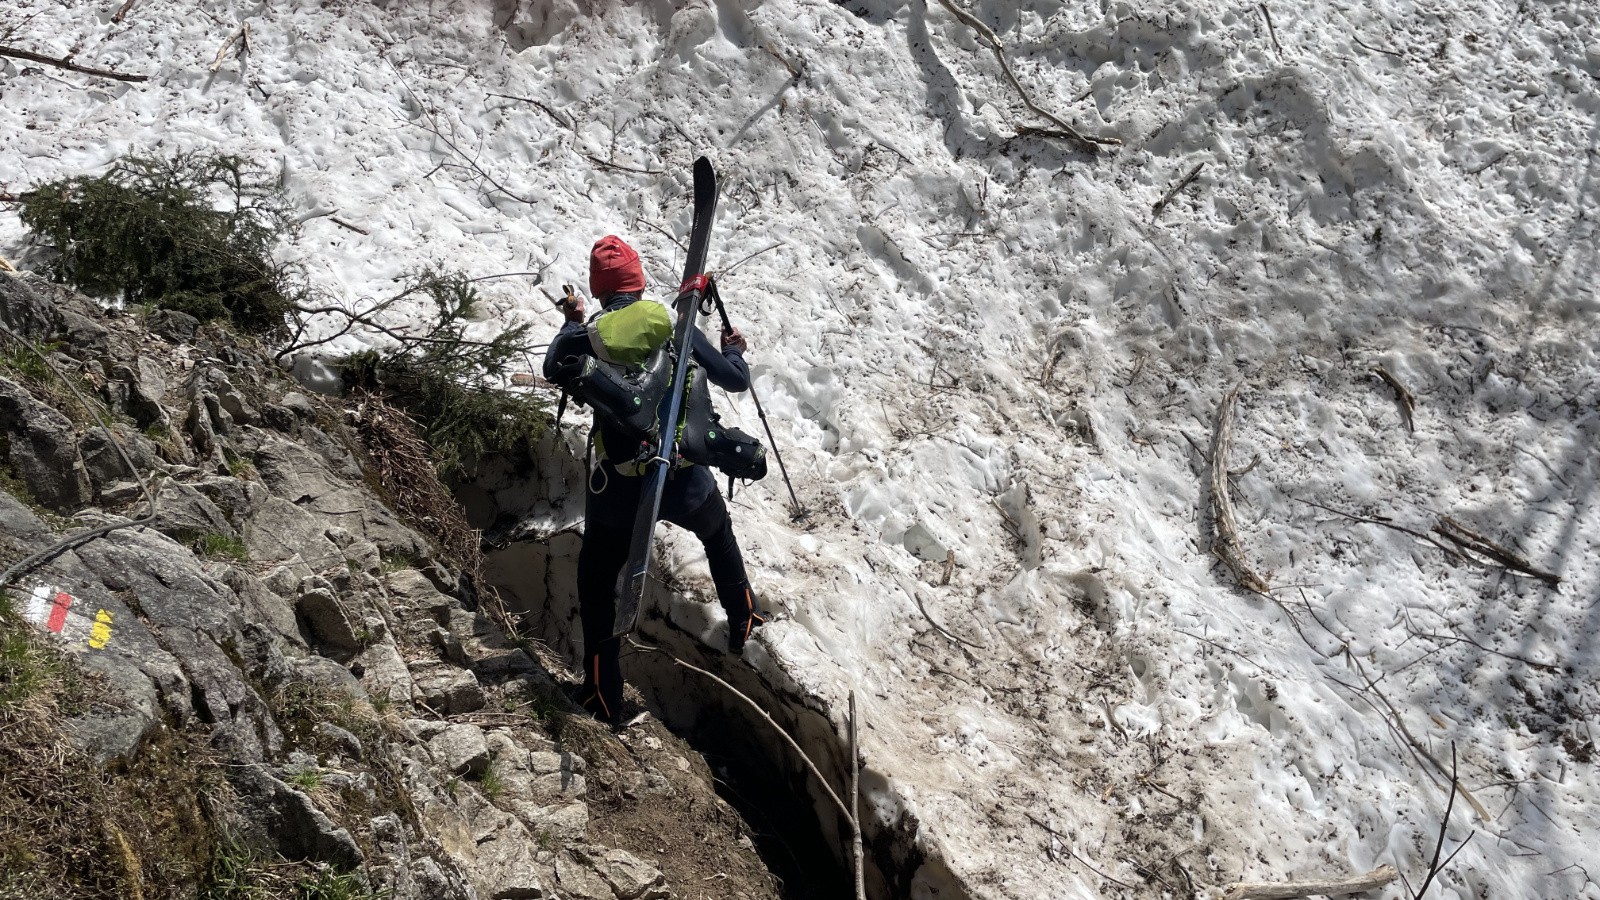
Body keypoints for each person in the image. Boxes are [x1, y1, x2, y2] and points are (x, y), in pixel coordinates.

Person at [544, 235, 766, 725]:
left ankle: (603, 693)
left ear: (600, 291)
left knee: (597, 583)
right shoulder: (673, 326)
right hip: (685, 478)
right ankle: (744, 617)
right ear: (639, 282)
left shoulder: (594, 335)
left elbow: (555, 364)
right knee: (717, 535)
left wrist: (572, 322)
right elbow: (735, 380)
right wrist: (735, 352)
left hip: (620, 490)